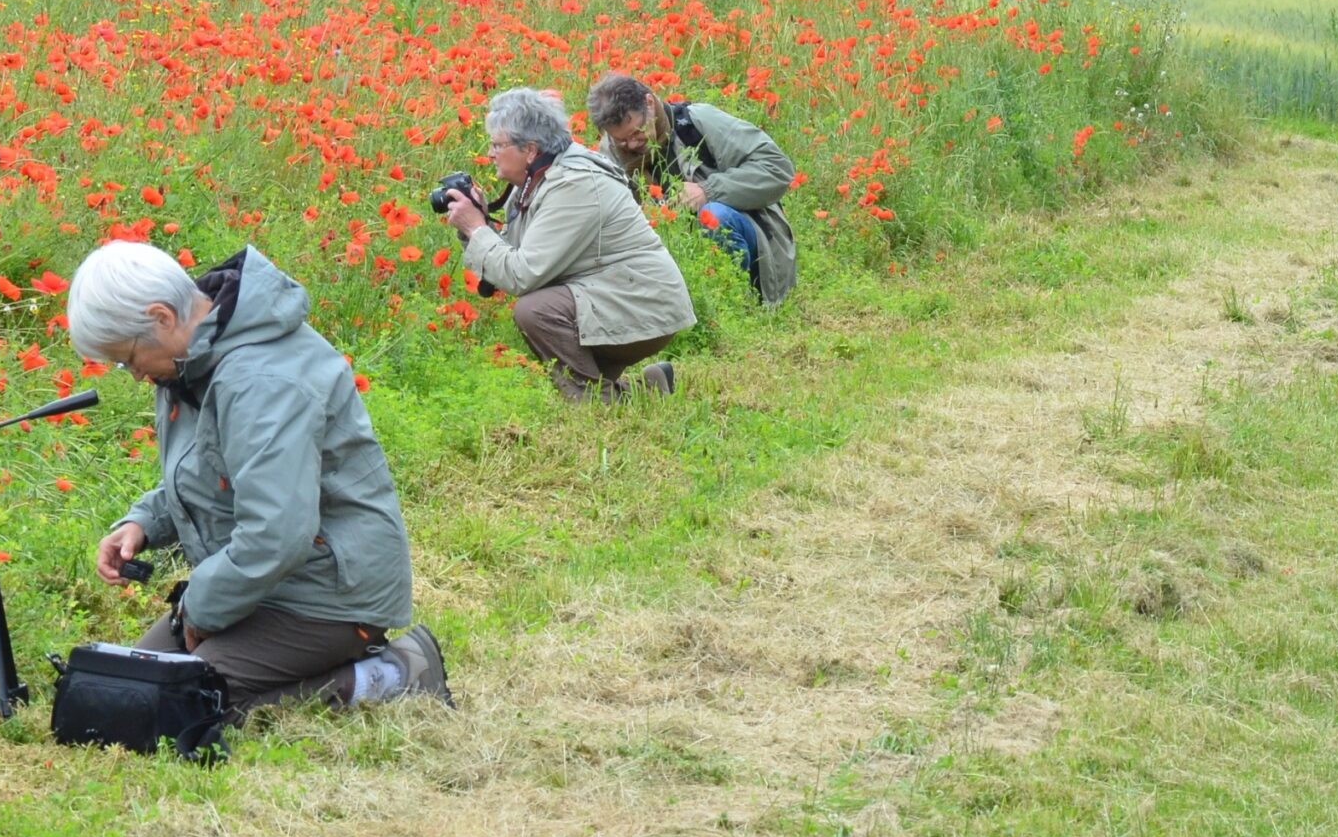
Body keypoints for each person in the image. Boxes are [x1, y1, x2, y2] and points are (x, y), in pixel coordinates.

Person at [67, 241, 450, 717]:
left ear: (162, 317)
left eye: (127, 358)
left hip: (327, 595)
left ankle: (391, 673)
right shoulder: (194, 363)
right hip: (261, 582)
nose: (133, 375)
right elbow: (211, 473)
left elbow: (277, 533)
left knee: (179, 708)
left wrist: (201, 609)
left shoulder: (260, 380)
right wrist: (144, 523)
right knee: (125, 687)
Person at [442, 86, 696, 401]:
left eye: (497, 144)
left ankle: (596, 403)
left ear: (531, 150)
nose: (491, 153)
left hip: (643, 304)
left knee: (535, 311)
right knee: (539, 307)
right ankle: (646, 388)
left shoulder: (573, 184)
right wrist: (476, 225)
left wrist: (477, 228)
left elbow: (522, 275)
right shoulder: (537, 180)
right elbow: (513, 259)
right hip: (619, 294)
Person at [587, 73, 799, 306]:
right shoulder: (610, 154)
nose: (633, 145)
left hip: (746, 229)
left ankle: (738, 304)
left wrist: (708, 190)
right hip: (672, 251)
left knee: (713, 216)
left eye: (637, 132)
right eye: (622, 140)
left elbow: (777, 168)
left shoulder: (698, 122)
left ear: (649, 103)